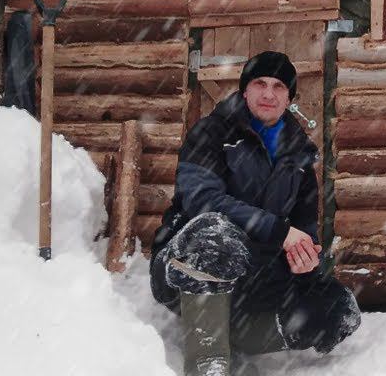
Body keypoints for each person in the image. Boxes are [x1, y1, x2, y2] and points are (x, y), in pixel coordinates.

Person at [150, 50, 361, 375]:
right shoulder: (211, 133)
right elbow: (202, 201)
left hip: (254, 275)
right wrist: (278, 231)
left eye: (279, 86)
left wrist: (305, 261)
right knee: (216, 235)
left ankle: (233, 337)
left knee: (337, 308)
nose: (268, 94)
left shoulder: (300, 155)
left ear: (289, 97)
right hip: (186, 264)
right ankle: (208, 361)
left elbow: (305, 229)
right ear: (245, 90)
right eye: (260, 83)